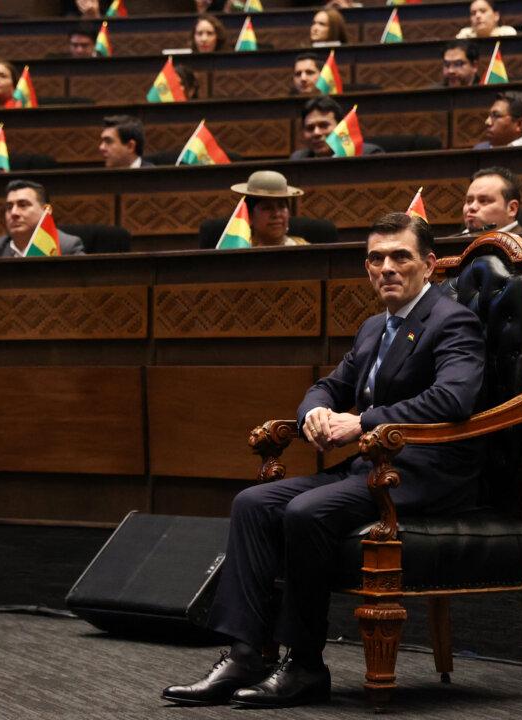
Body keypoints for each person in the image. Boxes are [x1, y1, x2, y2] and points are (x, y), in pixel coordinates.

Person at [161, 211, 486, 709]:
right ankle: (245, 654)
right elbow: (328, 387)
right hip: (370, 470)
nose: (387, 268)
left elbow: (453, 400)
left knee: (304, 511)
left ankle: (305, 665)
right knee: (252, 502)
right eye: (376, 258)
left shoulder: (451, 319)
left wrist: (364, 421)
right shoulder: (375, 326)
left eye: (401, 256)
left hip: (427, 472)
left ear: (430, 263)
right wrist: (314, 414)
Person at [0, 180, 85, 257]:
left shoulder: (67, 247)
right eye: (9, 207)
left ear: (46, 210)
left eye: (23, 205)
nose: (14, 213)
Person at [229, 171, 308, 247]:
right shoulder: (238, 252)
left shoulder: (305, 249)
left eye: (281, 206)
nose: (277, 214)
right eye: (267, 208)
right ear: (249, 216)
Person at [290, 96, 384, 159]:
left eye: (324, 125)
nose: (316, 133)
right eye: (310, 128)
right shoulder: (298, 159)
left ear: (341, 127)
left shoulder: (368, 155)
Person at [461, 166, 522, 234]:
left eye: (483, 201)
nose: (471, 207)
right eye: (469, 201)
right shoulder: (453, 241)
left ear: (512, 209)